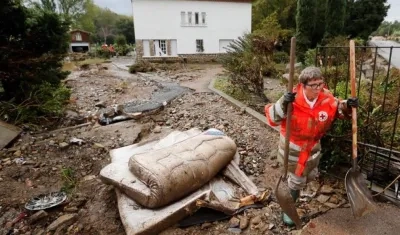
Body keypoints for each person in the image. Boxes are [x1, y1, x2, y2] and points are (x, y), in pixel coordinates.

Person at [264, 66, 358, 226]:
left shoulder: (326, 98)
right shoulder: (292, 99)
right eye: (313, 85)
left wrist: (348, 105)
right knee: (295, 180)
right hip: (293, 148)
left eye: (320, 84)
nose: (318, 88)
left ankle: (297, 193)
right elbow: (272, 118)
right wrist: (283, 103)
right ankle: (288, 209)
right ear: (303, 85)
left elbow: (338, 110)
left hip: (313, 148)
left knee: (309, 175)